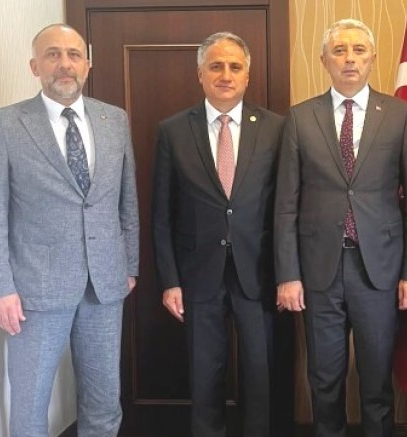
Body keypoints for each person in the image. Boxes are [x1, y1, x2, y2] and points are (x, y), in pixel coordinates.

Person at [0, 23, 139, 436]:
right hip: (34, 289)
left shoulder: (114, 120)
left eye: (73, 54)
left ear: (87, 65)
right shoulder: (5, 125)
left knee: (104, 402)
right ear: (35, 66)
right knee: (30, 404)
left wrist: (129, 265)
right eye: (52, 54)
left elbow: (127, 199)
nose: (64, 63)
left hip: (105, 285)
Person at [274, 18, 407, 437]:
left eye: (359, 50)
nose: (349, 59)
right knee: (324, 380)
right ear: (324, 60)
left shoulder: (399, 115)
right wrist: (288, 274)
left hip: (379, 269)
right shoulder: (300, 118)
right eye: (339, 50)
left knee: (377, 382)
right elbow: (285, 205)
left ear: (372, 58)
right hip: (318, 270)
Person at [152, 32, 283, 437]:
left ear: (247, 76)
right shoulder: (173, 130)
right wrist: (170, 281)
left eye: (235, 67)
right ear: (200, 74)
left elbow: (286, 209)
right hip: (197, 275)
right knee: (205, 375)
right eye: (216, 66)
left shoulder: (276, 128)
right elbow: (162, 214)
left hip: (259, 273)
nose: (226, 75)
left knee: (261, 375)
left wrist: (288, 274)